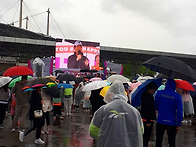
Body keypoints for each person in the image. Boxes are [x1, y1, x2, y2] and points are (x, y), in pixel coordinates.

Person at [89, 80, 144, 147]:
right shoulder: (134, 111)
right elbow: (140, 130)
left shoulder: (103, 110)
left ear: (110, 93)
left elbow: (93, 131)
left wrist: (106, 136)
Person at [154, 79, 183, 147]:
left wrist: (158, 109)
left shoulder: (159, 93)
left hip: (160, 119)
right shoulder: (177, 96)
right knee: (172, 141)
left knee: (159, 140)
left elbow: (155, 104)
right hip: (172, 121)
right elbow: (179, 110)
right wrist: (178, 123)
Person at [140, 82, 158, 147]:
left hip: (145, 118)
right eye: (154, 90)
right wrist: (148, 121)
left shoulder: (144, 96)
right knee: (146, 136)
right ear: (150, 89)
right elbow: (148, 109)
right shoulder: (148, 97)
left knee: (145, 136)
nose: (154, 91)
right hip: (148, 119)